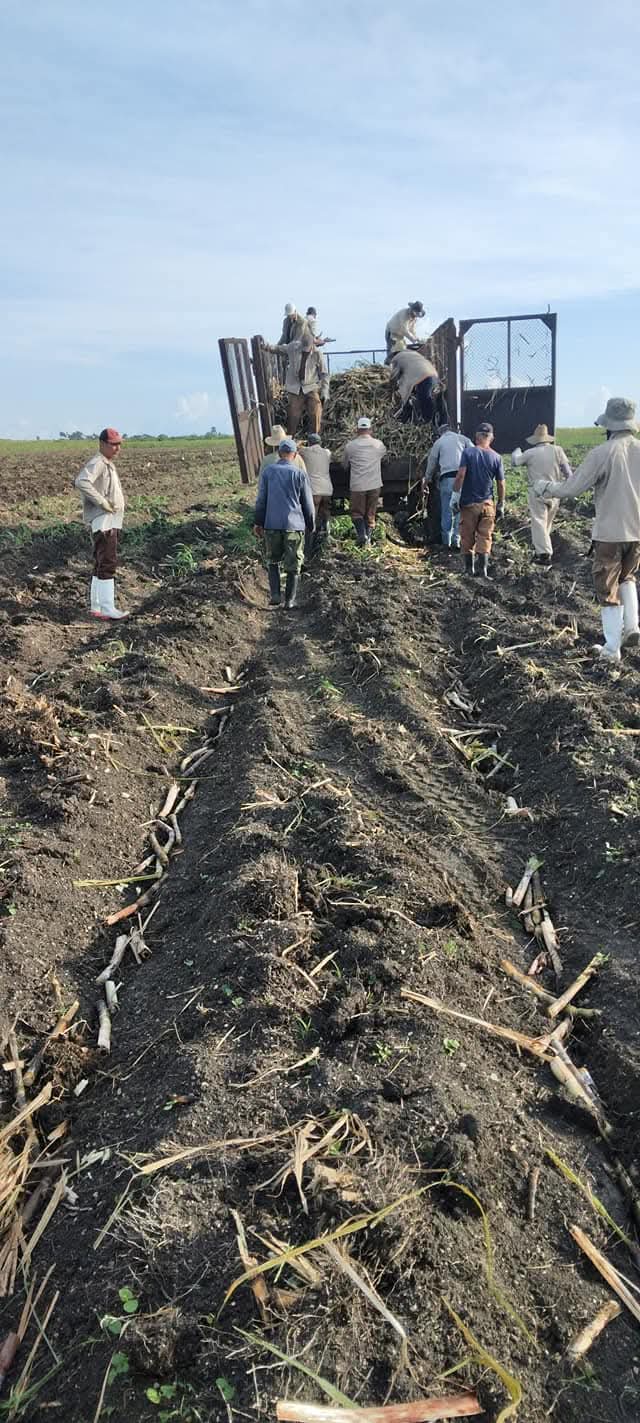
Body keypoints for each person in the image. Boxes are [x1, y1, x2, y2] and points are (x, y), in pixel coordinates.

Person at [533, 397, 640, 662]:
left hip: (610, 533)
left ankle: (612, 649)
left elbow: (572, 488)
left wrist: (545, 487)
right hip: (637, 531)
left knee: (607, 586)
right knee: (628, 577)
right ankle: (632, 626)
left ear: (609, 425)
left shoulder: (603, 453)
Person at [254, 437, 315, 610]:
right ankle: (289, 600)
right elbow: (307, 503)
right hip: (294, 526)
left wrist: (258, 522)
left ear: (280, 453)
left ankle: (275, 594)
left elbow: (261, 500)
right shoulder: (300, 474)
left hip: (272, 524)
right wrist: (310, 524)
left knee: (273, 560)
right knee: (294, 563)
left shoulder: (268, 472)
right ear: (294, 455)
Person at [74, 427, 129, 619]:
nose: (117, 448)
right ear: (102, 444)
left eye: (119, 444)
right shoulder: (98, 462)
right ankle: (108, 608)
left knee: (100, 562)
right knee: (107, 562)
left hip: (110, 520)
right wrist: (102, 502)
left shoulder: (106, 463)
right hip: (105, 521)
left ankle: (97, 606)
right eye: (113, 444)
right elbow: (82, 481)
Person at [451, 422, 506, 577]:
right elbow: (501, 483)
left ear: (476, 436)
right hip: (488, 504)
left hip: (469, 504)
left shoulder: (468, 453)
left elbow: (461, 475)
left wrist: (455, 496)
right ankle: (483, 570)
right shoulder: (497, 457)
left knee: (467, 536)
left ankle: (469, 570)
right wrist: (501, 504)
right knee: (485, 536)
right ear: (491, 438)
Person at [511, 424, 572, 564]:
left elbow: (515, 462)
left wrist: (516, 451)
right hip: (555, 490)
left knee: (539, 521)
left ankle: (544, 554)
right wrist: (570, 487)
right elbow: (568, 472)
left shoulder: (530, 453)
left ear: (535, 439)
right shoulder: (557, 450)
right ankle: (542, 550)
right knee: (547, 523)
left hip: (538, 491)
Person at [263, 334, 329, 435]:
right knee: (293, 415)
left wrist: (325, 391)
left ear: (312, 345)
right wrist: (266, 346)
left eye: (307, 348)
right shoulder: (293, 347)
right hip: (295, 387)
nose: (305, 350)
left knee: (316, 411)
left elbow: (324, 374)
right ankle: (291, 438)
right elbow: (278, 349)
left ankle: (315, 438)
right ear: (301, 344)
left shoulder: (317, 354)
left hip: (310, 386)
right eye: (303, 348)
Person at [424, 424, 473, 550]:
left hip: (447, 479)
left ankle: (446, 541)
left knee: (447, 510)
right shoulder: (463, 439)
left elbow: (432, 461)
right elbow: (474, 453)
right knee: (459, 510)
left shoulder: (439, 442)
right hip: (462, 478)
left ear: (440, 433)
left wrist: (427, 479)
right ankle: (457, 541)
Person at [343, 418, 386, 545]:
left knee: (357, 513)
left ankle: (362, 535)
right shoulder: (378, 445)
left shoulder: (350, 446)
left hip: (358, 485)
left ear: (357, 430)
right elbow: (384, 456)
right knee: (370, 513)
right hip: (374, 485)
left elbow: (344, 465)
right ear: (370, 430)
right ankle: (368, 539)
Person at [390, 344, 449, 427]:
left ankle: (427, 422)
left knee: (424, 399)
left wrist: (396, 390)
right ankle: (443, 422)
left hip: (423, 378)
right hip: (433, 375)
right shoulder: (413, 354)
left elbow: (394, 376)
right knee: (435, 398)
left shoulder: (397, 358)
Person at [300, 433, 333, 548]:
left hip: (314, 489)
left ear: (309, 443)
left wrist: (301, 442)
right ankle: (327, 536)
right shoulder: (327, 452)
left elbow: (295, 448)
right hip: (327, 489)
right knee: (325, 512)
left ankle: (309, 544)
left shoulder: (305, 451)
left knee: (312, 517)